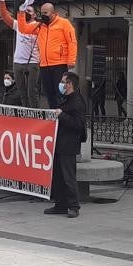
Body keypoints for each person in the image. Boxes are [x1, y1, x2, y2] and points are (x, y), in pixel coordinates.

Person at [13, 3, 78, 108]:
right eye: (41, 13)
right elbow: (23, 29)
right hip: (44, 65)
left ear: (53, 13)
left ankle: (63, 115)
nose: (43, 15)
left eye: (45, 13)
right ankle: (53, 115)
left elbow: (72, 42)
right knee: (49, 93)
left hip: (59, 63)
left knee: (60, 92)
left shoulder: (64, 23)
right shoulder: (40, 25)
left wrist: (71, 60)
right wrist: (21, 13)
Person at [46, 71, 87, 218]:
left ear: (69, 84)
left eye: (63, 82)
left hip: (68, 145)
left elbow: (78, 124)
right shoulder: (66, 99)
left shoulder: (77, 102)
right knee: (58, 177)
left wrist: (61, 115)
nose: (61, 84)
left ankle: (73, 206)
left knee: (68, 176)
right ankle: (60, 205)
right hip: (59, 143)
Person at [0, 0, 41, 107]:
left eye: (30, 11)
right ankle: (25, 111)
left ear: (35, 15)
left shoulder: (38, 26)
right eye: (25, 10)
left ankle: (35, 113)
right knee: (22, 91)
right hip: (18, 62)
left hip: (32, 62)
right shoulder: (18, 25)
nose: (27, 12)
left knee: (32, 91)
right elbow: (4, 16)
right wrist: (2, 0)